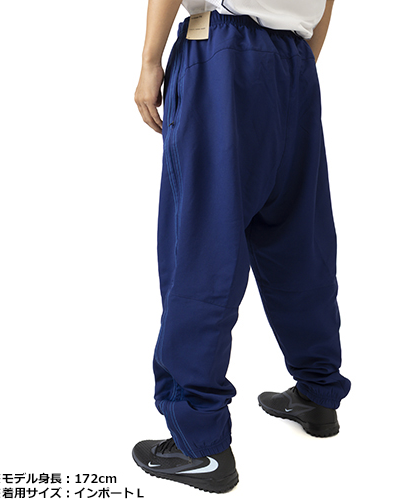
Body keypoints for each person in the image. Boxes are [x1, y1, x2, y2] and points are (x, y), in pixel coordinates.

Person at [132, 0, 351, 493]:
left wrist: (149, 61)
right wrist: (292, 62)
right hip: (295, 61)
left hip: (224, 54)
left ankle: (200, 444)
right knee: (298, 240)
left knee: (203, 246)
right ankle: (318, 393)